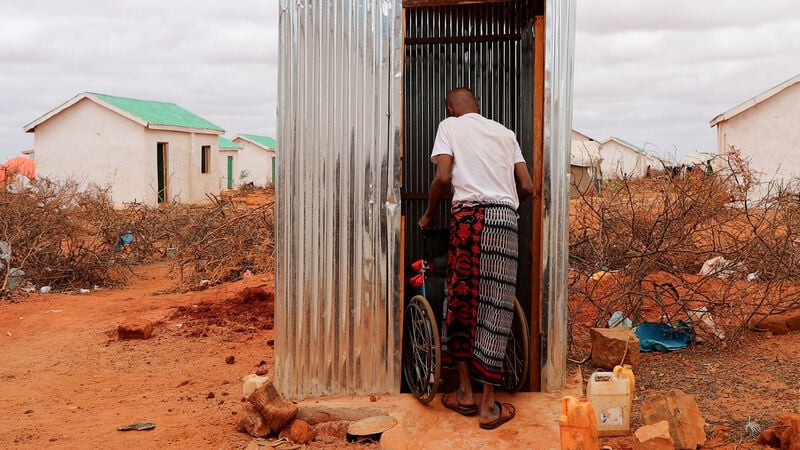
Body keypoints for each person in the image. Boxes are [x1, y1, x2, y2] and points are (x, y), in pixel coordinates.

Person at [418, 87, 533, 430]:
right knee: (495, 307)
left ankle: (464, 393)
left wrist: (427, 215)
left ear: (450, 108)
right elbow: (526, 187)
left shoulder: (449, 126)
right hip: (502, 222)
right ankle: (488, 406)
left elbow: (442, 177)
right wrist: (505, 210)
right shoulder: (505, 133)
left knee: (460, 302)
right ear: (478, 108)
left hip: (467, 221)